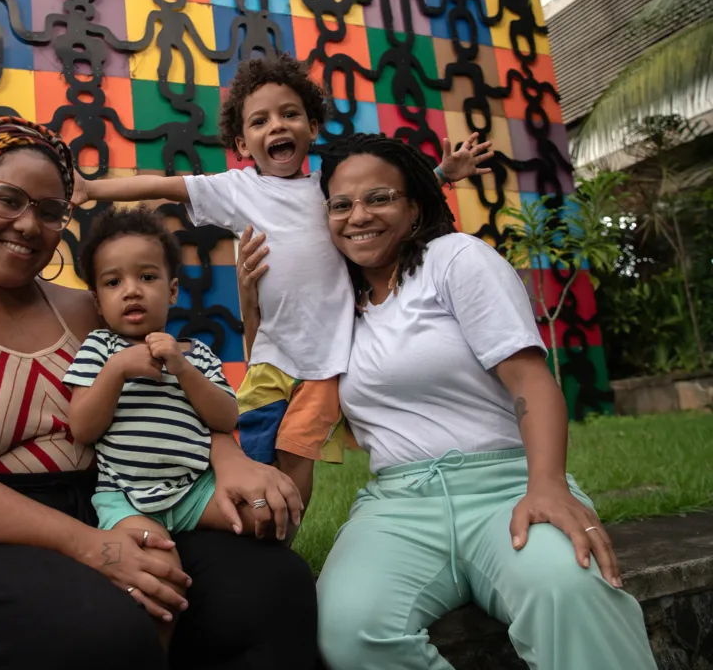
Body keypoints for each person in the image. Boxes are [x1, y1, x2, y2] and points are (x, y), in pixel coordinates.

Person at [0, 117, 318, 670]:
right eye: (8, 199)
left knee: (276, 588)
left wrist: (227, 460)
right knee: (109, 629)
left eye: (51, 210)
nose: (29, 224)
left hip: (112, 500)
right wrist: (92, 548)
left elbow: (178, 390)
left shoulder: (92, 311)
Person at [237, 133, 658, 669]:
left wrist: (547, 484)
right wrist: (253, 301)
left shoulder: (453, 259)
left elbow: (530, 379)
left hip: (505, 485)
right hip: (398, 506)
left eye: (379, 198)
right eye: (340, 205)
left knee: (568, 590)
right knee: (347, 629)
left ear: (415, 207)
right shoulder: (335, 304)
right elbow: (278, 374)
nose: (358, 215)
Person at [71, 53, 493, 508]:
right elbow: (166, 186)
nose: (277, 126)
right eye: (260, 121)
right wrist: (92, 189)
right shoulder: (240, 189)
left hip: (327, 362)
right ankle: (249, 528)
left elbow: (384, 191)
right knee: (250, 450)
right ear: (242, 142)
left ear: (312, 127)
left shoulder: (331, 188)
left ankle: (284, 538)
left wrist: (443, 175)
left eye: (290, 114)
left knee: (296, 456)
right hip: (271, 355)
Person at [65, 206, 260, 648]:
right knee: (158, 583)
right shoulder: (99, 350)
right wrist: (116, 371)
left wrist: (182, 369)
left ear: (172, 290)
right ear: (97, 301)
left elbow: (225, 418)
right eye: (113, 282)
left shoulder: (198, 353)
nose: (131, 291)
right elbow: (82, 427)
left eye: (147, 278)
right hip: (128, 498)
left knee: (259, 515)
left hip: (195, 489)